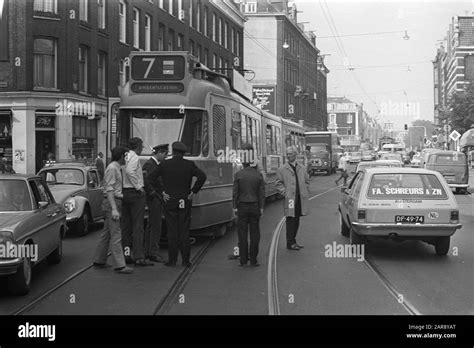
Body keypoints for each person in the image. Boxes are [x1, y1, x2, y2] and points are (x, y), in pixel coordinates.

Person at [147, 141, 206, 267]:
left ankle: (172, 260)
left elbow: (149, 179)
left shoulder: (165, 164)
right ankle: (186, 260)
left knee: (172, 231)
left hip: (170, 201)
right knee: (184, 231)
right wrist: (193, 191)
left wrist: (162, 191)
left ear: (173, 152)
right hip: (185, 201)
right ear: (184, 153)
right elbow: (202, 177)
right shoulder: (189, 164)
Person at [93, 146, 134, 274]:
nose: (126, 158)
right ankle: (120, 265)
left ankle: (99, 260)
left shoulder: (117, 167)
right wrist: (114, 209)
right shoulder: (112, 168)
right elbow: (110, 190)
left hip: (114, 201)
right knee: (116, 235)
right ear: (121, 156)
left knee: (107, 233)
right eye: (126, 156)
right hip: (112, 203)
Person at [121, 138, 153, 266]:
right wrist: (139, 186)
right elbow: (130, 171)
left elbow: (124, 171)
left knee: (126, 226)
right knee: (138, 226)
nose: (142, 148)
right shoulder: (134, 157)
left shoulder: (124, 156)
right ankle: (139, 256)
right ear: (137, 146)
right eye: (142, 146)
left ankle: (127, 254)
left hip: (125, 192)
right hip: (135, 193)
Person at [232, 144, 265, 267]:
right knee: (255, 233)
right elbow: (261, 193)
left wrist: (234, 207)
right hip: (255, 206)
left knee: (242, 233)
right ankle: (253, 260)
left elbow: (235, 193)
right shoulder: (258, 175)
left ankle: (243, 260)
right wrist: (261, 207)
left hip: (242, 206)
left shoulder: (239, 175)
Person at [276, 146, 310, 251]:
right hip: (289, 199)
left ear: (295, 155)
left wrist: (305, 191)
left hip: (300, 198)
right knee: (290, 220)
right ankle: (290, 243)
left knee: (297, 220)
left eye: (290, 154)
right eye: (287, 154)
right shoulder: (282, 169)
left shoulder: (302, 168)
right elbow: (278, 184)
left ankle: (293, 241)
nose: (288, 156)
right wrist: (285, 193)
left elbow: (307, 182)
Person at [143, 143, 169, 263]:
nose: (166, 157)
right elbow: (148, 182)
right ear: (159, 153)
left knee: (151, 226)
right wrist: (155, 193)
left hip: (155, 197)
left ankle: (148, 251)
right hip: (154, 199)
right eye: (165, 154)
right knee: (155, 226)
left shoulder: (154, 164)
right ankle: (153, 252)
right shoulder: (150, 165)